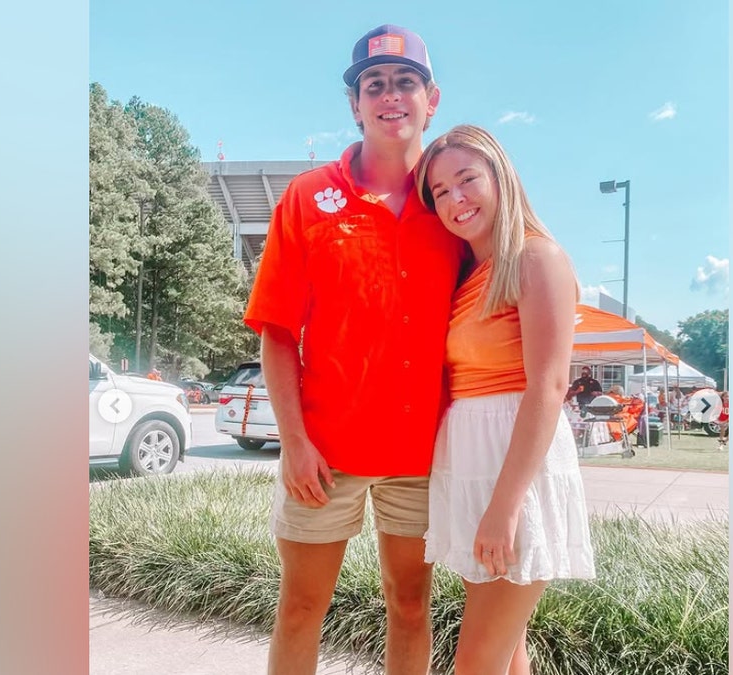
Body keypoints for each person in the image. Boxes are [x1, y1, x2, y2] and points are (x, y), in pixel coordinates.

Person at [243, 24, 464, 675]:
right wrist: (293, 441)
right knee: (300, 606)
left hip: (421, 452)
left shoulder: (452, 201)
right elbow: (278, 331)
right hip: (325, 453)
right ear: (355, 103)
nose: (389, 96)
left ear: (432, 98)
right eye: (374, 84)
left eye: (405, 82)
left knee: (411, 604)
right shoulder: (310, 198)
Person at [415, 124, 596, 675]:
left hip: (515, 471)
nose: (455, 199)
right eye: (440, 191)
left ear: (501, 176)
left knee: (475, 662)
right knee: (506, 650)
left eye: (467, 179)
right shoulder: (469, 275)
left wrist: (505, 505)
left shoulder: (536, 258)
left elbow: (549, 386)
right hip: (470, 460)